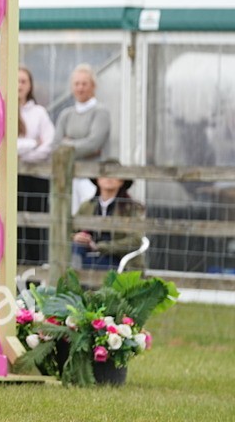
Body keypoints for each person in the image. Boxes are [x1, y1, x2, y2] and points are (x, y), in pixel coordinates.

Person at [51, 64, 112, 212]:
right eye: (76, 84)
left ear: (93, 86)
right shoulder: (66, 114)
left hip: (91, 177)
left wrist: (67, 143)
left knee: (88, 216)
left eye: (84, 84)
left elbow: (94, 144)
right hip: (67, 177)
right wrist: (79, 145)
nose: (80, 88)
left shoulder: (101, 112)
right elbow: (55, 146)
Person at [72, 159, 146, 272]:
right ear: (97, 179)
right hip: (86, 256)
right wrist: (76, 237)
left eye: (114, 174)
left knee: (98, 267)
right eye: (105, 173)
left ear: (121, 181)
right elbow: (68, 230)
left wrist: (101, 247)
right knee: (75, 250)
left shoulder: (130, 208)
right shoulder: (86, 206)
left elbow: (135, 240)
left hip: (118, 260)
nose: (109, 177)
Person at [16, 66, 56, 265]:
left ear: (30, 85)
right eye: (16, 81)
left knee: (34, 231)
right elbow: (2, 149)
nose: (19, 85)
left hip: (37, 180)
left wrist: (21, 154)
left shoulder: (39, 113)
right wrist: (32, 144)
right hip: (12, 180)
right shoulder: (2, 110)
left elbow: (48, 145)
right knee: (13, 231)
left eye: (24, 81)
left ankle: (35, 282)